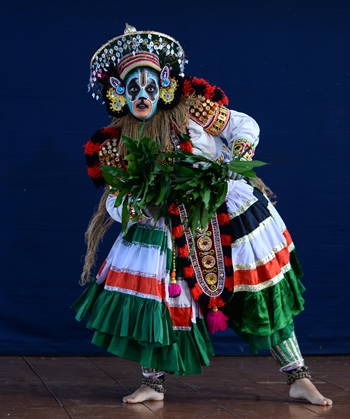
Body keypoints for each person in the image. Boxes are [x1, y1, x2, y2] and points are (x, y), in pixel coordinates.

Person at [71, 23, 332, 406]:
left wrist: (235, 161)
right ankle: (153, 383)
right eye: (132, 89)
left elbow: (244, 125)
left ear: (164, 84)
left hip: (222, 210)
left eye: (149, 87)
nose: (142, 96)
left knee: (262, 292)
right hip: (160, 224)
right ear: (119, 94)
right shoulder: (120, 140)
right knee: (153, 301)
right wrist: (137, 204)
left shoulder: (194, 108)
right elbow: (115, 196)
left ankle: (298, 376)